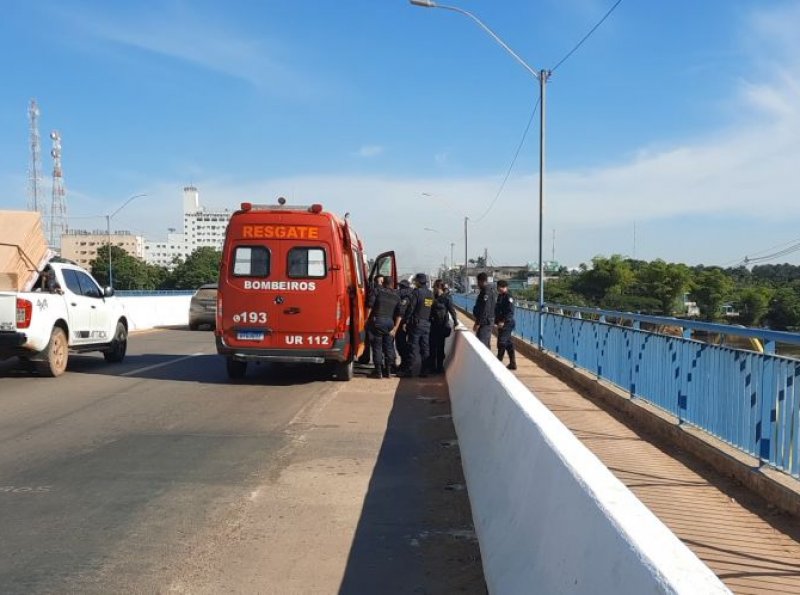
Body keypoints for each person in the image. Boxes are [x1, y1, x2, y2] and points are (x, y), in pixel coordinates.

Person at [365, 277, 401, 379]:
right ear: (392, 284)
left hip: (378, 321)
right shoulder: (396, 295)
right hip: (390, 323)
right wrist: (395, 328)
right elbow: (399, 314)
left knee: (377, 347)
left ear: (383, 283)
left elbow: (370, 306)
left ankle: (378, 372)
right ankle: (388, 372)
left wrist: (366, 320)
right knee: (389, 347)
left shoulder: (377, 291)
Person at [399, 273, 434, 378]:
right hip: (427, 324)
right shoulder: (430, 293)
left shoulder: (417, 292)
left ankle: (409, 370)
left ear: (418, 281)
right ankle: (425, 370)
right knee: (425, 348)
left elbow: (411, 308)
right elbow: (431, 308)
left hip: (416, 324)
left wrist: (406, 321)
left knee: (413, 347)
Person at [429, 279, 459, 374]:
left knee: (440, 347)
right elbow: (427, 310)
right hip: (432, 326)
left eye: (435, 287)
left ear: (439, 288)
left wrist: (456, 322)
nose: (433, 289)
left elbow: (452, 311)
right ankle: (432, 366)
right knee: (432, 347)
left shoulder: (446, 298)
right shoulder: (431, 297)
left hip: (442, 326)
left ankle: (439, 367)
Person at [495, 279, 517, 370]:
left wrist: (503, 321)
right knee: (508, 343)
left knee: (502, 342)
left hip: (507, 323)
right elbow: (497, 309)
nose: (498, 289)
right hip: (501, 322)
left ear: (504, 287)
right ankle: (513, 363)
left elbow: (510, 312)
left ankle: (498, 361)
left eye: (500, 287)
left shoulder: (509, 297)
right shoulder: (500, 296)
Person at [472, 272, 497, 349]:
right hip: (485, 321)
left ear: (481, 281)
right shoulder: (487, 290)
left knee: (482, 344)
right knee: (485, 342)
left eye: (478, 282)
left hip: (485, 322)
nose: (478, 284)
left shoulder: (486, 292)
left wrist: (478, 322)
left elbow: (484, 309)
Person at [394, 279, 413, 373]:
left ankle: (406, 366)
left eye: (400, 287)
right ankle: (404, 364)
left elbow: (401, 311)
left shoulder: (406, 298)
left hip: (403, 324)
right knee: (403, 345)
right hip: (407, 323)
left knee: (402, 345)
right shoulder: (409, 294)